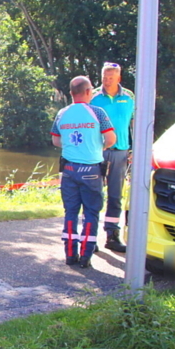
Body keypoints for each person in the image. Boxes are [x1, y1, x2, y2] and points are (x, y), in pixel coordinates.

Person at [51, 76, 116, 268]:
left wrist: (72, 146)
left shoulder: (62, 113)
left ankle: (70, 255)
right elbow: (111, 139)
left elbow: (56, 141)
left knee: (70, 212)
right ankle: (86, 257)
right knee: (91, 213)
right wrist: (98, 147)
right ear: (88, 92)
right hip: (91, 170)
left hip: (69, 169)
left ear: (71, 93)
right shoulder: (97, 112)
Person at [90, 62, 134, 253]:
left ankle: (112, 235)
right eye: (104, 77)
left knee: (116, 196)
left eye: (111, 78)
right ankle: (90, 237)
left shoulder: (129, 97)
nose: (107, 81)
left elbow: (135, 123)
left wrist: (134, 149)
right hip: (97, 152)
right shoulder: (93, 97)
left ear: (119, 78)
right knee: (93, 194)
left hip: (121, 152)